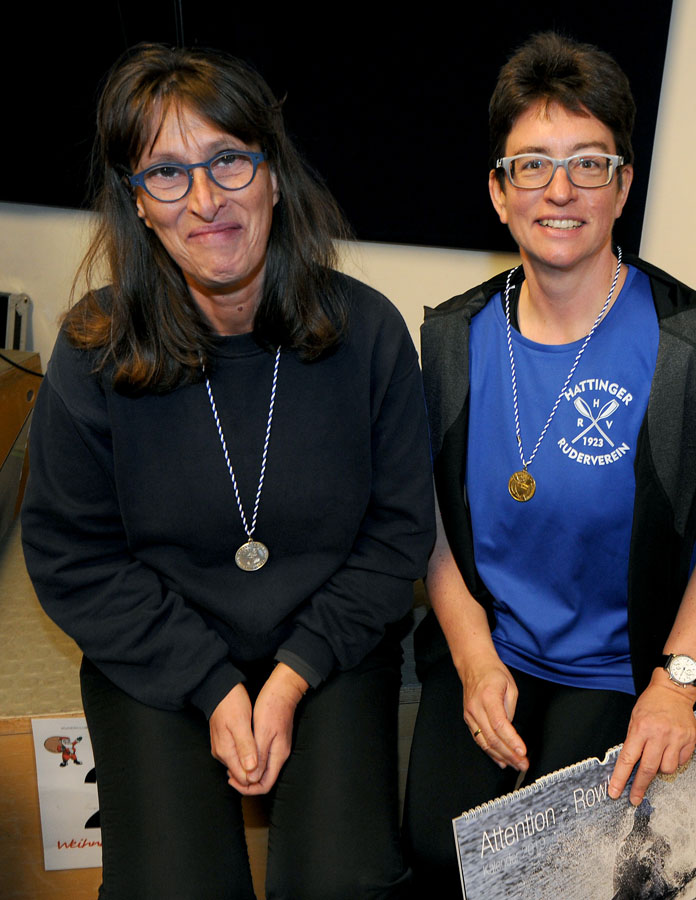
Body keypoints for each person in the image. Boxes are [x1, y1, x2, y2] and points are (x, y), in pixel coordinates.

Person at [22, 43, 434, 900]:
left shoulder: (369, 334)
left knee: (344, 883)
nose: (204, 199)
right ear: (139, 204)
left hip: (328, 647)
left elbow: (395, 539)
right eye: (167, 174)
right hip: (157, 648)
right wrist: (213, 687)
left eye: (227, 161)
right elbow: (72, 556)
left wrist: (289, 678)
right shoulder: (94, 350)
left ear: (272, 176)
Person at [403, 32, 696, 895]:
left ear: (622, 185)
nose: (559, 190)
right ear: (498, 192)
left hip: (620, 662)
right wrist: (472, 658)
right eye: (531, 166)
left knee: (562, 871)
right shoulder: (451, 343)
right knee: (436, 853)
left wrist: (675, 683)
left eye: (588, 163)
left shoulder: (693, 359)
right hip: (493, 639)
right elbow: (433, 525)